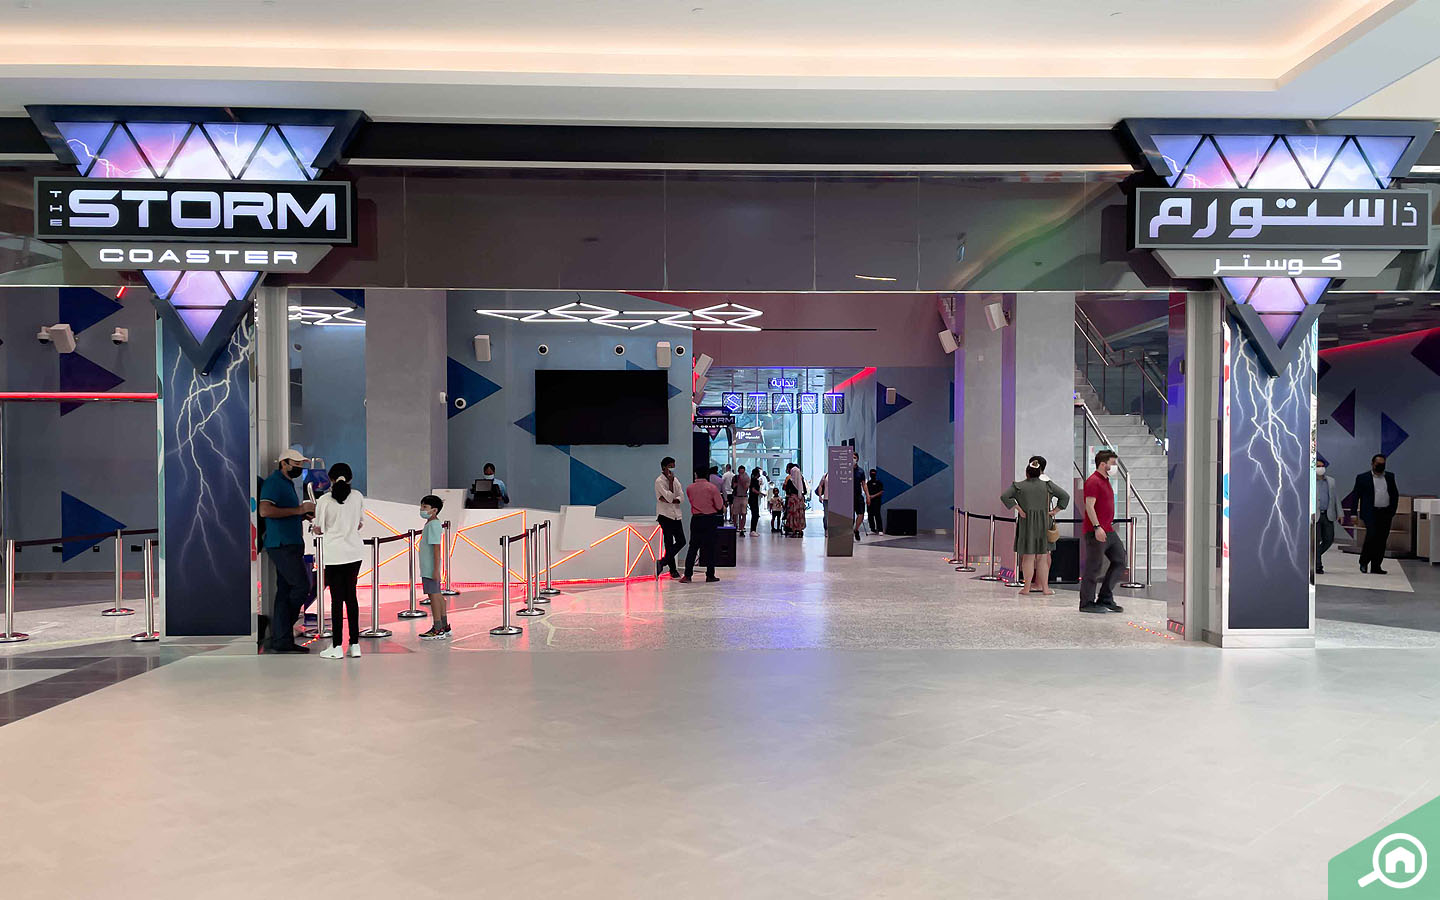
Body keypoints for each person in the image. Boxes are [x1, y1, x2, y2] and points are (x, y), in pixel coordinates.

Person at [258, 449, 317, 653]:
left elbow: (283, 512)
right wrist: (299, 510)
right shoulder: (274, 482)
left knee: (285, 591)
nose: (299, 468)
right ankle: (281, 631)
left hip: (289, 543)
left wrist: (301, 515)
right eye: (296, 464)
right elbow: (265, 510)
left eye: (301, 465)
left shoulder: (286, 483)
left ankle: (282, 639)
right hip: (282, 544)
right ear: (284, 463)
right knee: (301, 586)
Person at [313, 463, 365, 660]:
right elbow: (359, 524)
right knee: (351, 597)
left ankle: (336, 645)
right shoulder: (357, 496)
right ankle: (354, 644)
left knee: (336, 599)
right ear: (350, 478)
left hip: (334, 554)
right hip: (354, 552)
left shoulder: (324, 500)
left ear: (330, 478)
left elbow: (319, 527)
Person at [1000, 456, 1070, 597]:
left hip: (1027, 523)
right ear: (1040, 472)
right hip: (1044, 523)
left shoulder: (1019, 486)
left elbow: (1004, 496)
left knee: (1028, 557)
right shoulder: (1048, 485)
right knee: (1042, 558)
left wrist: (1019, 509)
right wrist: (1054, 511)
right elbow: (1065, 496)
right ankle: (1045, 588)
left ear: (1027, 473)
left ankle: (1026, 588)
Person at [1079, 450, 1126, 614]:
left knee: (1120, 560)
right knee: (1094, 566)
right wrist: (1097, 527)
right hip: (1096, 530)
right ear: (1102, 464)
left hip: (1109, 530)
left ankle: (1105, 597)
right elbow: (1089, 506)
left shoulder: (1106, 481)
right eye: (1112, 463)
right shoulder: (1093, 481)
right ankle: (1086, 602)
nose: (1115, 466)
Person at [1352, 454, 1399, 575]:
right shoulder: (1362, 478)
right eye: (1378, 464)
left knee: (1382, 539)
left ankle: (1376, 565)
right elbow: (1355, 496)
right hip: (1370, 512)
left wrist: (1392, 510)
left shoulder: (1390, 477)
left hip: (1385, 512)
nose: (1380, 466)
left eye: (1383, 464)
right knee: (1371, 536)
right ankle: (1364, 562)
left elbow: (1394, 494)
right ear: (1373, 464)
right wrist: (1353, 514)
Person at [416, 495, 450, 639]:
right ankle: (444, 625)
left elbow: (436, 548)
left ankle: (437, 627)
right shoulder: (431, 524)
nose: (422, 509)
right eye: (422, 506)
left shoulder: (434, 525)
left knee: (434, 595)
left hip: (430, 567)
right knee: (437, 594)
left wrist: (436, 569)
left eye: (425, 507)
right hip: (428, 566)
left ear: (434, 510)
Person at [682, 468, 724, 583]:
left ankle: (687, 575)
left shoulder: (690, 488)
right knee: (710, 547)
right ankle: (710, 575)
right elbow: (719, 505)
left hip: (696, 519)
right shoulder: (712, 488)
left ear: (695, 474)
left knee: (693, 547)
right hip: (710, 519)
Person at [654, 456, 686, 578]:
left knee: (681, 541)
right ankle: (673, 570)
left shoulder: (676, 480)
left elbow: (681, 497)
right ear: (664, 467)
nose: (672, 469)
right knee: (668, 543)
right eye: (670, 466)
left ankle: (662, 562)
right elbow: (669, 497)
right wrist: (671, 485)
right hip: (665, 515)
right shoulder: (659, 481)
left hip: (676, 515)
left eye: (674, 466)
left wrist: (673, 499)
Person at [1314, 457, 1339, 576]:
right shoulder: (1309, 481)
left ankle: (1314, 556)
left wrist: (1340, 513)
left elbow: (1335, 498)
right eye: (1318, 466)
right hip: (1315, 515)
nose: (1320, 468)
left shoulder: (1331, 481)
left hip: (1328, 514)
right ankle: (1318, 565)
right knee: (1316, 540)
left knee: (1329, 539)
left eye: (1322, 466)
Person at [784, 464, 808, 536]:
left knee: (793, 515)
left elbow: (787, 491)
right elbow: (805, 491)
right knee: (800, 515)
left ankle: (794, 530)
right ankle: (800, 529)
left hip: (793, 500)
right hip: (800, 500)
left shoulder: (790, 481)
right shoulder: (801, 481)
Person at [731, 465, 750, 535]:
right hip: (736, 497)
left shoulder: (747, 478)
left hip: (744, 497)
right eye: (740, 472)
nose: (741, 474)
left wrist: (741, 481)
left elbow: (746, 487)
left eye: (742, 472)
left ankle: (742, 528)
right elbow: (732, 486)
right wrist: (735, 484)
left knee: (744, 513)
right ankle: (735, 526)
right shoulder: (735, 477)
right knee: (735, 513)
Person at [852, 450, 866, 542]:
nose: (853, 459)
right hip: (848, 496)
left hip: (858, 495)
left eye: (854, 458)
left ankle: (856, 529)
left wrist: (867, 495)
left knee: (861, 514)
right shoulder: (846, 470)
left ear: (857, 459)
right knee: (850, 517)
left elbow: (864, 484)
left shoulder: (861, 471)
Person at [866, 469, 884, 535]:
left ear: (875, 474)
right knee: (870, 515)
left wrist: (873, 496)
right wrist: (868, 498)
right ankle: (872, 529)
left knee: (877, 515)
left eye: (874, 473)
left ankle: (880, 530)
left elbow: (881, 492)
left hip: (877, 501)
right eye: (871, 474)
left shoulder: (879, 483)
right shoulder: (868, 483)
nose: (872, 475)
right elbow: (866, 491)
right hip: (870, 501)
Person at [748, 467, 763, 535]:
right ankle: (753, 530)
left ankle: (753, 530)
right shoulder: (754, 481)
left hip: (753, 499)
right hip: (753, 499)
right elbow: (753, 490)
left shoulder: (752, 480)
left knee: (755, 514)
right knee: (755, 514)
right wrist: (760, 493)